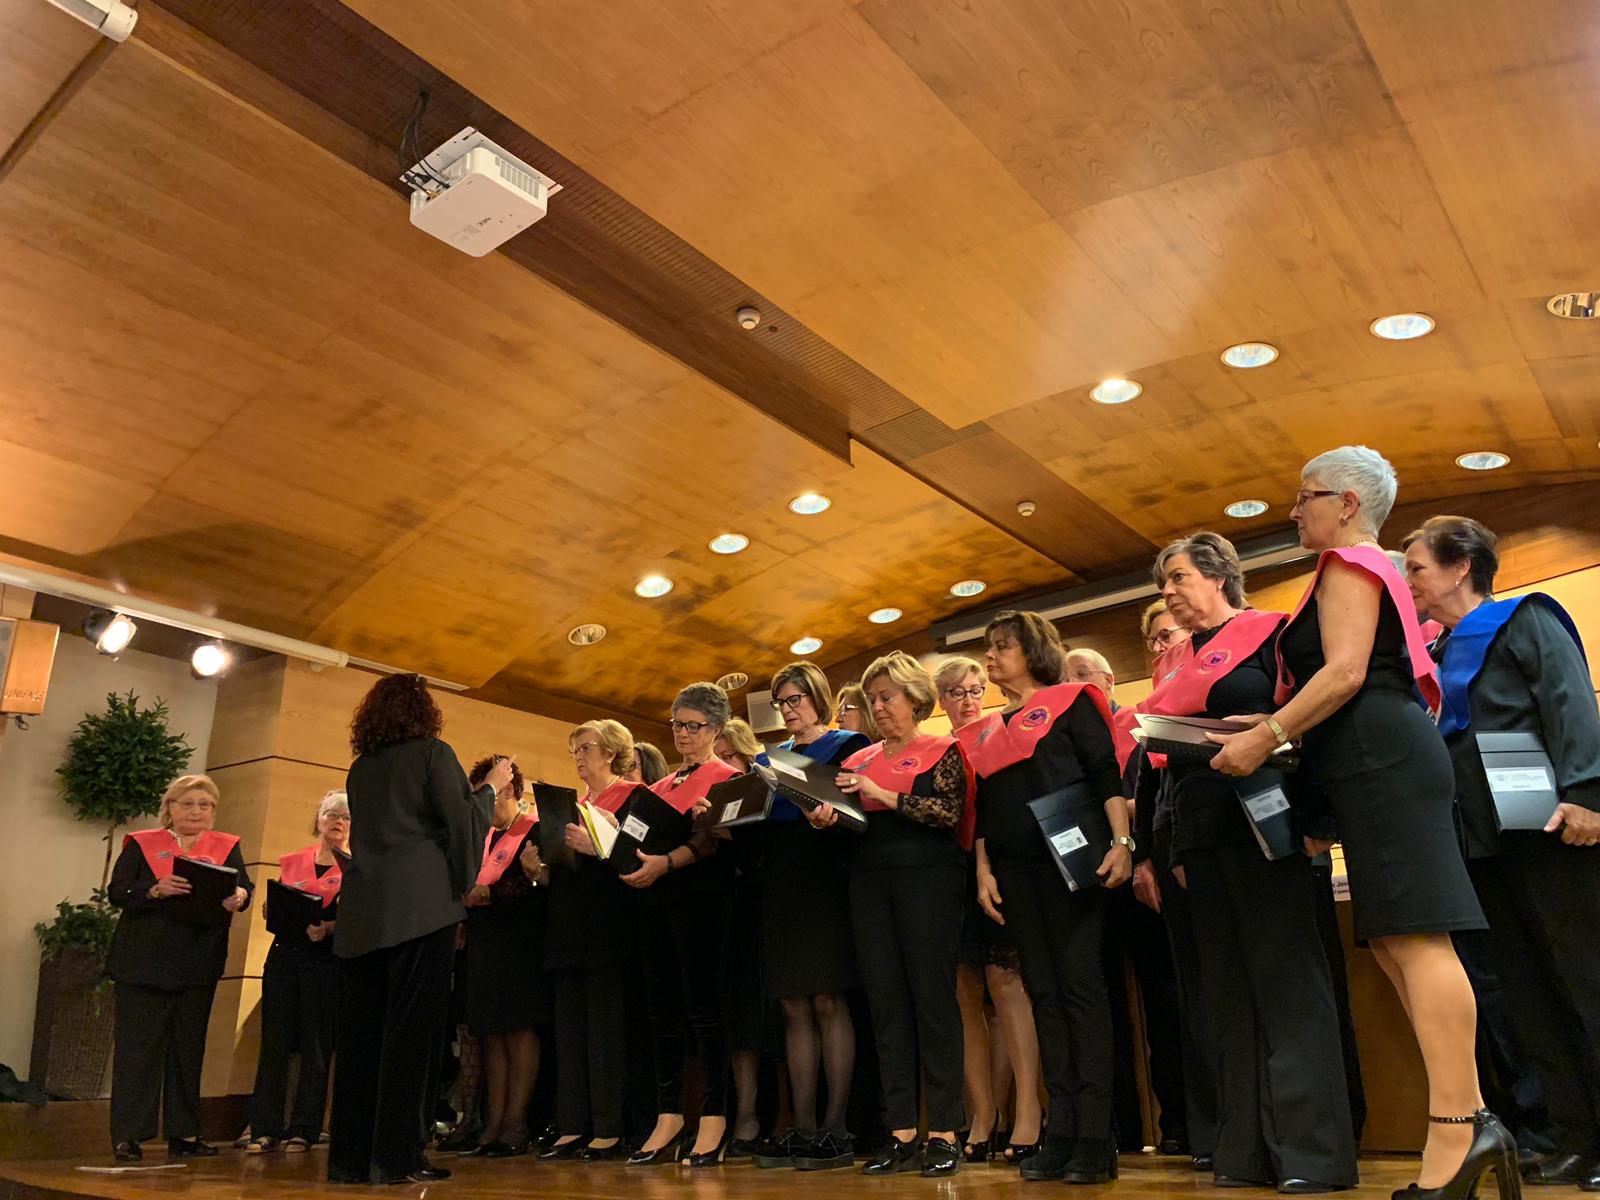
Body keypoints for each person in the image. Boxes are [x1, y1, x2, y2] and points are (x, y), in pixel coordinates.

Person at [1208, 446, 1512, 1200]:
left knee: (1418, 938)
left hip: (1383, 757)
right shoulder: (1359, 566)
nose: (1293, 510)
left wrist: (1267, 734)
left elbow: (1345, 672)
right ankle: (1470, 1120)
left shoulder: (1349, 561)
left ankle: (1459, 1127)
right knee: (1396, 943)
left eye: (1305, 496)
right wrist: (1280, 726)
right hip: (1372, 759)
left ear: (1346, 503)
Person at [1142, 533, 1357, 1191]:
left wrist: (1320, 822)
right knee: (1227, 991)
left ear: (1218, 576)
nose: (1169, 592)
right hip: (1201, 831)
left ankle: (1311, 1154)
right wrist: (1175, 847)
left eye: (1179, 577)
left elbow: (1317, 722)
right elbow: (1164, 771)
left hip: (1269, 821)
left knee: (1288, 982)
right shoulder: (1171, 660)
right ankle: (1246, 1152)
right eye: (1164, 583)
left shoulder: (1273, 633)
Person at [1404, 515, 1600, 1189]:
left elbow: (1569, 702)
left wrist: (1587, 792)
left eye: (1417, 568)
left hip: (1554, 829)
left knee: (1585, 982)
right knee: (1528, 997)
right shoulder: (1431, 656)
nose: (1409, 582)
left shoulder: (1524, 618)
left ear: (1461, 567)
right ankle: (1576, 1138)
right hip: (1483, 843)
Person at [327, 673, 513, 1185]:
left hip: (363, 911)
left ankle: (349, 1159)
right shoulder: (433, 753)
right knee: (410, 1037)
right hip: (420, 908)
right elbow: (461, 820)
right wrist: (490, 787)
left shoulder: (361, 768)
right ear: (423, 711)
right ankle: (397, 1158)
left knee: (361, 1039)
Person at [970, 612, 1133, 1184]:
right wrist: (983, 870)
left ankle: (1095, 1137)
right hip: (1014, 874)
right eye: (989, 647)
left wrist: (1122, 843)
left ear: (1033, 650)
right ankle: (1061, 1130)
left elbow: (1106, 775)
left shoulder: (1074, 702)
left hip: (1073, 865)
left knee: (1079, 989)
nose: (991, 657)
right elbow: (986, 809)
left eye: (1002, 646)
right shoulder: (989, 729)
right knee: (1043, 994)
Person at [808, 651, 972, 1177]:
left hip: (929, 878)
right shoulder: (857, 760)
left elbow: (948, 811)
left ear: (916, 700)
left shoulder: (942, 748)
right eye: (872, 699)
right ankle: (900, 1131)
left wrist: (883, 793)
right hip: (868, 881)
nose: (878, 707)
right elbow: (852, 825)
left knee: (932, 1001)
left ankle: (945, 1130)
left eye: (887, 697)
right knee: (886, 1004)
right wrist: (828, 818)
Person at [1065, 647, 1190, 1155]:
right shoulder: (1069, 734)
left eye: (1083, 675)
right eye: (1067, 678)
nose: (1076, 685)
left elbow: (1154, 799)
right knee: (1104, 1005)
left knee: (1164, 997)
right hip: (1091, 881)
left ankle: (1178, 1122)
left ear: (1110, 679)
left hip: (1145, 871)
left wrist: (1131, 842)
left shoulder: (1138, 722)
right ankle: (1119, 1128)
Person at [754, 662, 870, 1171]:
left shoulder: (848, 743)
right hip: (782, 883)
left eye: (795, 698)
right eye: (780, 702)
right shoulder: (767, 758)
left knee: (827, 999)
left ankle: (836, 1127)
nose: (787, 709)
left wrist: (830, 815)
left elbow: (856, 810)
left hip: (827, 877)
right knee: (793, 1006)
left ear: (817, 697)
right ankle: (803, 1127)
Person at [107, 775, 252, 1162]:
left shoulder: (225, 847)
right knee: (137, 1053)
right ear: (170, 808)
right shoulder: (142, 844)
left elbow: (244, 889)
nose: (196, 812)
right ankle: (129, 1135)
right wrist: (154, 889)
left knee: (188, 1051)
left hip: (197, 963)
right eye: (188, 804)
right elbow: (117, 891)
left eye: (205, 805)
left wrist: (240, 896)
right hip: (143, 964)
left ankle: (185, 1133)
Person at [626, 683, 741, 1167]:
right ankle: (669, 1113)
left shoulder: (728, 776)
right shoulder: (660, 786)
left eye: (693, 726)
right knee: (662, 1011)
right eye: (677, 724)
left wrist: (667, 862)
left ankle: (714, 1115)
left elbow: (714, 842)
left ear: (715, 729)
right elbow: (634, 837)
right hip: (655, 901)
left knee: (704, 1010)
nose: (683, 734)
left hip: (703, 902)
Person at [936, 655, 1044, 1164]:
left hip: (997, 863)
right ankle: (982, 1115)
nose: (969, 699)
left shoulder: (1001, 731)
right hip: (948, 871)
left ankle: (1028, 1111)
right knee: (964, 992)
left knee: (1007, 984)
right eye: (957, 692)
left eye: (976, 689)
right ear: (940, 700)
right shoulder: (937, 747)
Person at [1131, 598, 1218, 1170]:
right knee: (1190, 997)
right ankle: (1206, 1132)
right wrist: (1144, 856)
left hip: (1216, 838)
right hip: (1168, 847)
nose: (1167, 646)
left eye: (1174, 634)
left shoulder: (1215, 684)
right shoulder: (1154, 711)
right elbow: (1147, 790)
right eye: (1158, 640)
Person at [544, 720, 640, 1162]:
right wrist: (539, 865)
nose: (579, 757)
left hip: (609, 926)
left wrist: (598, 846)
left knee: (604, 1030)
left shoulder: (633, 796)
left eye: (586, 748)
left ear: (611, 752)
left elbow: (633, 858)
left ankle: (608, 1126)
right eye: (574, 750)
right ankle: (573, 1124)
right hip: (568, 927)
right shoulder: (575, 805)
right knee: (571, 1030)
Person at [245, 791, 350, 1154]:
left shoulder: (357, 867)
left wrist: (330, 928)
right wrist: (271, 910)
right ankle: (264, 1127)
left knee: (315, 1046)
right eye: (331, 814)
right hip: (285, 958)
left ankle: (305, 1128)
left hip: (325, 962)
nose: (338, 821)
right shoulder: (294, 862)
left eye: (346, 816)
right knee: (274, 1043)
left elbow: (360, 918)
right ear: (318, 820)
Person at [459, 755, 546, 1158]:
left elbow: (533, 886)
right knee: (492, 1032)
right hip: (484, 940)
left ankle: (516, 1121)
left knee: (518, 1029)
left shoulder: (535, 828)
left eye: (489, 794)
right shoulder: (485, 836)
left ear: (509, 790)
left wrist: (490, 894)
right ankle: (493, 1120)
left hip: (520, 940)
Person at [712, 718, 774, 1160]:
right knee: (732, 1017)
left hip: (760, 914)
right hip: (722, 915)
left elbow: (762, 857)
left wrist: (731, 835)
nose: (724, 764)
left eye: (730, 755)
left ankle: (756, 1115)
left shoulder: (761, 787)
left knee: (756, 1017)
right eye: (718, 757)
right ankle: (737, 1114)